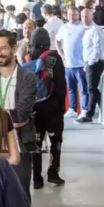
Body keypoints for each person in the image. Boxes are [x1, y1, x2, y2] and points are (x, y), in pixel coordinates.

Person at [0, 30, 37, 207]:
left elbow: (21, 114)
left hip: (19, 147)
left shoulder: (27, 77)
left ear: (14, 48)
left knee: (21, 200)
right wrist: (9, 117)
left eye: (2, 48)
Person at [29, 28, 67, 188]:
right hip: (53, 109)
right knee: (55, 141)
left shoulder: (29, 58)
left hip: (35, 110)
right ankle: (53, 173)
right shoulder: (55, 58)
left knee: (36, 143)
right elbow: (61, 85)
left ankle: (37, 178)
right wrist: (61, 107)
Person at [57, 7, 88, 118]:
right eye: (69, 14)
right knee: (71, 88)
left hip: (81, 64)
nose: (72, 16)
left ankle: (85, 109)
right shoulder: (64, 28)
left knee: (83, 88)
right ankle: (72, 108)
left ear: (78, 15)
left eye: (74, 14)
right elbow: (57, 40)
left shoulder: (83, 27)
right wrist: (61, 53)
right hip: (68, 64)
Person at [78, 8, 104, 123]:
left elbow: (97, 47)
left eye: (87, 16)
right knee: (93, 88)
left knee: (91, 89)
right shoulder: (87, 30)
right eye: (83, 16)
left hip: (95, 63)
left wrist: (90, 62)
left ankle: (89, 114)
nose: (84, 18)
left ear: (92, 16)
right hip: (89, 63)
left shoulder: (95, 29)